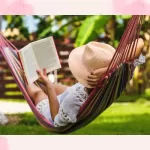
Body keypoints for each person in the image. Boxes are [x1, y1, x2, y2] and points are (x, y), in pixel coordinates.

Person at [22, 38, 145, 127]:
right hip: (73, 91)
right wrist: (110, 67)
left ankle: (25, 76)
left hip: (54, 109)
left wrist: (49, 86)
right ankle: (40, 80)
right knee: (48, 84)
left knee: (38, 92)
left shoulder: (73, 101)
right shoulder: (120, 74)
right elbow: (140, 42)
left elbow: (56, 120)